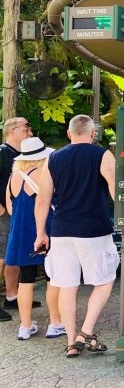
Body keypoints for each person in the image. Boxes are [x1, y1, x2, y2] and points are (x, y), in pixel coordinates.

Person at [34, 115, 119, 358]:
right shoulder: (102, 155)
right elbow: (114, 186)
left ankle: (71, 341)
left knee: (66, 286)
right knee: (104, 280)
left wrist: (41, 232)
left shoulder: (53, 158)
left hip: (61, 230)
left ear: (70, 134)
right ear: (93, 134)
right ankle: (86, 332)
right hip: (94, 229)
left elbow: (43, 200)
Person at [5, 137, 63, 340]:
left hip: (20, 233)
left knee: (26, 280)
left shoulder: (14, 177)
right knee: (52, 277)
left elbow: (10, 208)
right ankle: (55, 323)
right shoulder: (44, 175)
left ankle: (25, 326)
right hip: (45, 230)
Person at [0, 117, 36, 323]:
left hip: (16, 211)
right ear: (12, 131)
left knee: (12, 254)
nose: (29, 132)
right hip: (4, 212)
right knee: (2, 256)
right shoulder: (3, 153)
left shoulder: (21, 154)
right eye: (26, 127)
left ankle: (12, 296)